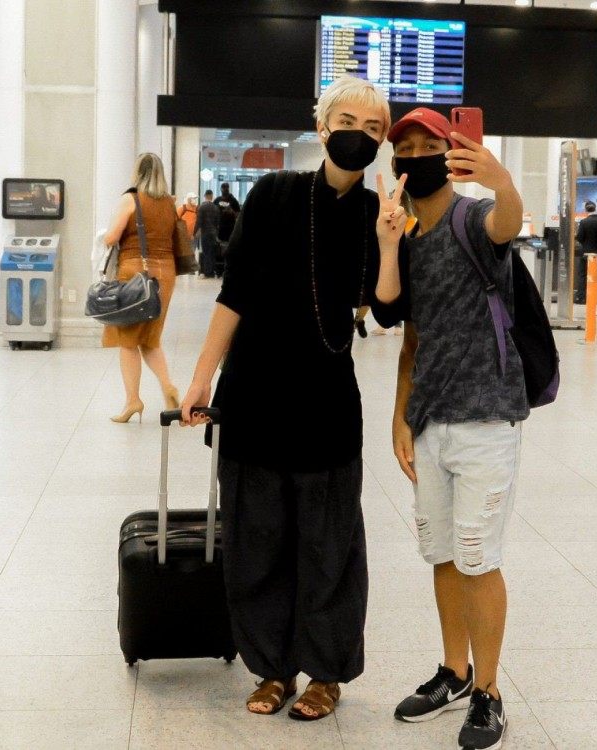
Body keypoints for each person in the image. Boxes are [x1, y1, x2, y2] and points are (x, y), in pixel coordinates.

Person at [178, 75, 402, 722]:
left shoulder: (375, 216)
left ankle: (326, 674)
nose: (360, 135)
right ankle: (271, 668)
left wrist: (391, 245)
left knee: (330, 546)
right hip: (253, 397)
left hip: (328, 401)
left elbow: (385, 312)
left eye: (375, 129)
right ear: (323, 125)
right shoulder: (275, 194)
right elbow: (234, 295)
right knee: (257, 539)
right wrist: (201, 379)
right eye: (349, 121)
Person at [373, 107, 526, 750]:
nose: (413, 154)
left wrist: (501, 179)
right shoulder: (406, 236)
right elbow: (407, 332)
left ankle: (489, 692)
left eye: (426, 143)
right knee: (440, 554)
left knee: (477, 558)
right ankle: (454, 673)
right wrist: (402, 414)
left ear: (450, 149)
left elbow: (507, 222)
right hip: (431, 419)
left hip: (488, 417)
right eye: (402, 146)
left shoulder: (472, 217)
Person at [101, 153, 182, 423]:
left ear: (138, 172)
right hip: (166, 274)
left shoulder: (131, 199)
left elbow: (111, 237)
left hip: (135, 271)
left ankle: (133, 400)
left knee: (127, 340)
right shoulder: (170, 204)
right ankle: (167, 384)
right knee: (150, 338)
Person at [196, 190, 221, 278]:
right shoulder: (215, 207)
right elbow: (218, 222)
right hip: (213, 233)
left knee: (206, 252)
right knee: (212, 252)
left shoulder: (202, 207)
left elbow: (199, 221)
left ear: (205, 196)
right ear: (211, 196)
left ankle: (207, 272)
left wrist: (195, 232)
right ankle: (212, 271)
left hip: (205, 233)